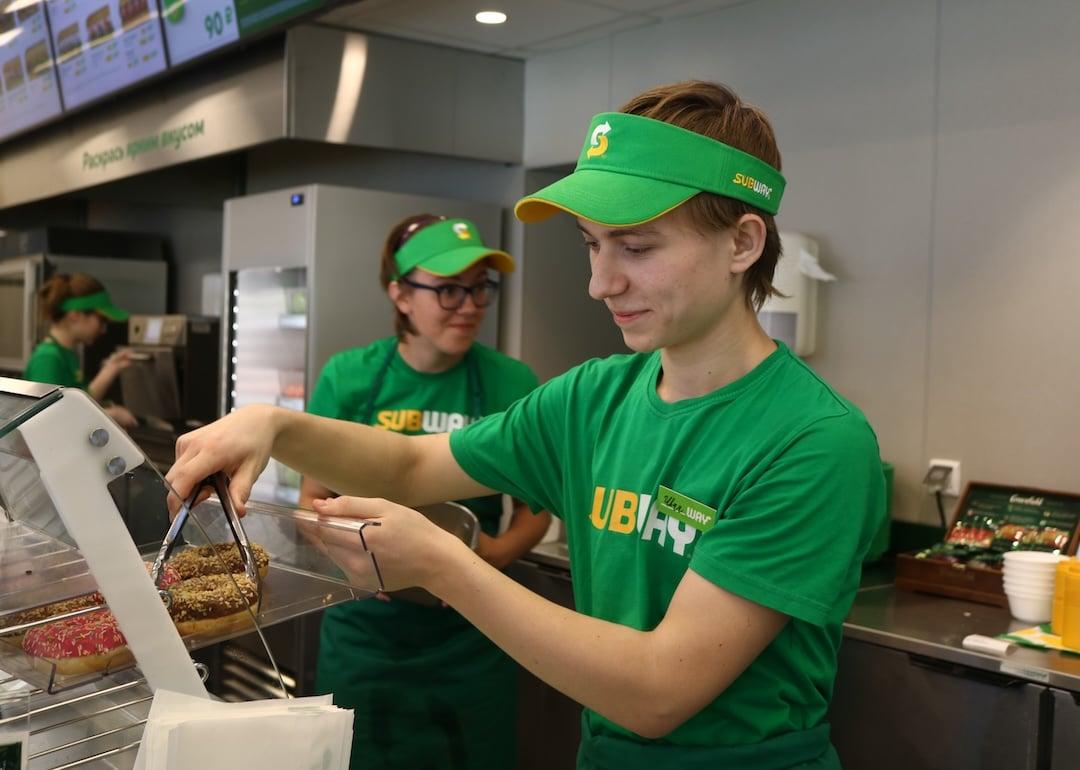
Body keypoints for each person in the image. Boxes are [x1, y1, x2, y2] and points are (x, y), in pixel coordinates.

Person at [167, 80, 886, 769]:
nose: (602, 283)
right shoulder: (593, 398)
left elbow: (660, 690)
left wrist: (447, 565)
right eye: (592, 246)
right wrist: (275, 427)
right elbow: (413, 466)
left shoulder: (812, 441)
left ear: (742, 243)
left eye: (636, 248)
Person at [299, 214, 551, 770]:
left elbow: (536, 511)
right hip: (365, 630)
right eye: (449, 289)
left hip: (474, 634)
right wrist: (350, 555)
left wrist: (492, 557)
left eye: (481, 287)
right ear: (400, 293)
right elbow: (310, 502)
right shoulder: (350, 377)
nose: (470, 305)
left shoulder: (512, 383)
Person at [24, 273, 136, 428]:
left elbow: (80, 402)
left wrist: (112, 368)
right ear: (75, 315)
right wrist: (111, 415)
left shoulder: (66, 354)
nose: (104, 329)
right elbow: (50, 418)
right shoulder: (48, 359)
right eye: (101, 320)